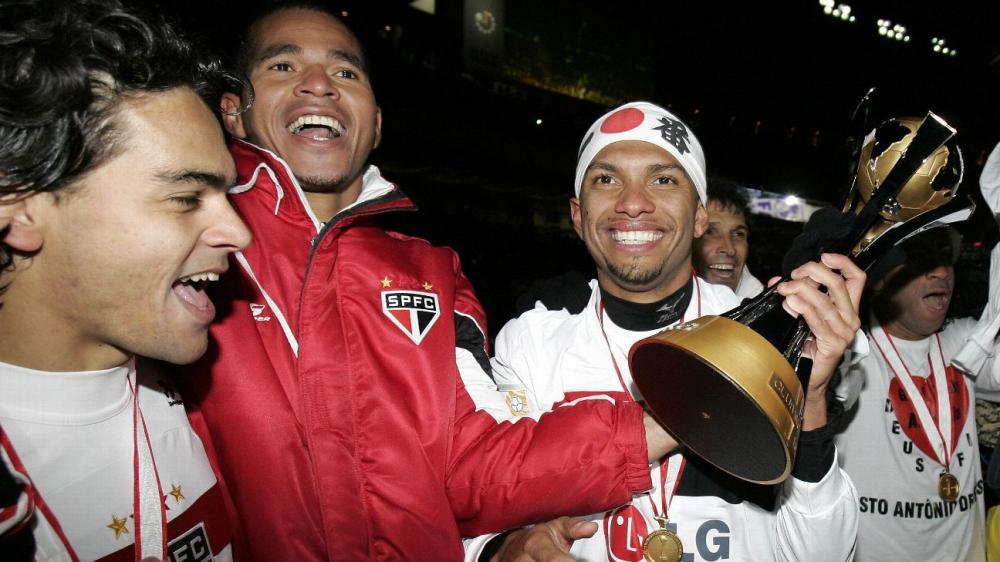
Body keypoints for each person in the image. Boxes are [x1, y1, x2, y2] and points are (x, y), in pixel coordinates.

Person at [181, 4, 677, 559]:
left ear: (375, 124)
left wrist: (672, 420)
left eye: (345, 72)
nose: (319, 85)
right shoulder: (189, 248)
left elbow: (475, 466)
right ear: (233, 112)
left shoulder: (435, 273)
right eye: (283, 68)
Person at [466, 101, 863, 561]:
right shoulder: (532, 342)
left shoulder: (761, 335)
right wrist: (500, 548)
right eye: (606, 179)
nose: (633, 203)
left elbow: (825, 555)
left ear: (699, 217)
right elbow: (479, 503)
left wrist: (810, 402)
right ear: (577, 215)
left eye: (663, 179)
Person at [0, 0, 252, 559]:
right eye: (187, 197)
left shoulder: (189, 395)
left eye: (226, 196)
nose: (239, 233)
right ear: (19, 208)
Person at [692, 179, 764, 298]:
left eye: (738, 234)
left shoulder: (765, 311)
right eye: (709, 231)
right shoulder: (655, 310)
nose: (729, 249)